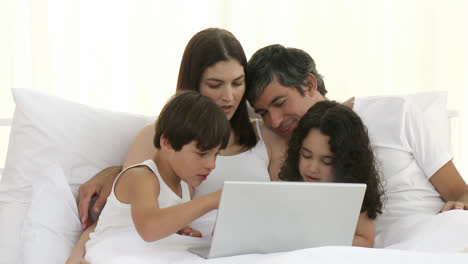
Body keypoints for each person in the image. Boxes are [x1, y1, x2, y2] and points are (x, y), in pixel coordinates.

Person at [245, 44, 468, 247]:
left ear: (310, 84)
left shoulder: (398, 113)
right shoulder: (291, 152)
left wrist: (458, 208)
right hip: (355, 251)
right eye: (263, 113)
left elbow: (460, 192)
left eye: (280, 103)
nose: (273, 121)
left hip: (429, 235)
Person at [77, 28, 285, 230]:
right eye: (215, 85)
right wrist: (78, 253)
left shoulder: (266, 136)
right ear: (193, 85)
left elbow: (282, 208)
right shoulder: (157, 137)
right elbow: (119, 218)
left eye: (238, 83)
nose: (229, 97)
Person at [67, 90, 231, 263]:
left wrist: (181, 229)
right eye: (202, 154)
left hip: (142, 253)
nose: (212, 165)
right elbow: (149, 228)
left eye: (216, 155)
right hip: (115, 251)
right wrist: (212, 201)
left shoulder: (182, 184)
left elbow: (162, 221)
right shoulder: (142, 177)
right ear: (167, 143)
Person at [279, 101, 383, 247]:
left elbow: (365, 240)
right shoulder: (290, 185)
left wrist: (313, 241)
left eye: (327, 161)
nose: (313, 168)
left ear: (346, 163)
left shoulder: (354, 192)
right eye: (306, 156)